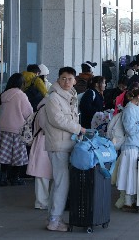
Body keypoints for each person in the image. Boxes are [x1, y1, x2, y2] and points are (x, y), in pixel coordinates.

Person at [42, 67, 85, 232]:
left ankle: (53, 217)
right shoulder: (53, 98)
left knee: (59, 183)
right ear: (58, 79)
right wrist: (78, 128)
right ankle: (54, 220)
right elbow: (57, 120)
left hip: (68, 144)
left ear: (75, 80)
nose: (66, 82)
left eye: (69, 79)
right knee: (62, 183)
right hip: (58, 145)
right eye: (63, 78)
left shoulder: (71, 96)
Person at [0, 73, 33, 187]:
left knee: (4, 154)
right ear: (21, 83)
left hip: (3, 127)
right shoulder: (21, 95)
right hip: (17, 128)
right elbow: (29, 113)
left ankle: (2, 178)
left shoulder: (4, 94)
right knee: (18, 154)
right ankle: (15, 178)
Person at [116, 86, 139, 211]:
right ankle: (128, 201)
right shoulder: (130, 109)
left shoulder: (135, 108)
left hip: (134, 145)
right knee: (130, 174)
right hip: (130, 145)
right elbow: (130, 130)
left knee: (130, 174)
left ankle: (128, 200)